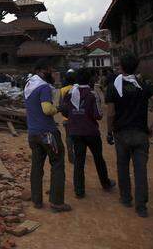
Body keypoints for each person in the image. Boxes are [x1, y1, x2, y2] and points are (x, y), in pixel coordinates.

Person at [105, 53, 153, 217]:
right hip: (141, 134)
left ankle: (126, 198)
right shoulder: (143, 85)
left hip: (121, 134)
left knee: (122, 167)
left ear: (121, 68)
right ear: (136, 67)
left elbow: (110, 113)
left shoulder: (113, 87)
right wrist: (152, 127)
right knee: (140, 170)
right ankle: (141, 207)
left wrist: (109, 131)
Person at [24, 59, 71, 212]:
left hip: (33, 133)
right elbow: (46, 109)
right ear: (41, 70)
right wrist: (59, 108)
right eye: (49, 70)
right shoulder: (43, 87)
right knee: (57, 164)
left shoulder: (29, 85)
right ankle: (57, 202)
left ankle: (37, 200)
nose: (51, 73)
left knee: (37, 167)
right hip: (48, 133)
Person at [61, 68, 115, 198]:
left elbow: (64, 111)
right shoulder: (92, 94)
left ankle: (79, 191)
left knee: (79, 160)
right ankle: (105, 183)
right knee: (98, 158)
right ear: (89, 79)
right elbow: (99, 115)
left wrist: (75, 115)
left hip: (75, 132)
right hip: (91, 132)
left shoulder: (69, 93)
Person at [60, 69, 77, 163]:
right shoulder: (77, 88)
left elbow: (61, 104)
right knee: (77, 136)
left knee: (68, 136)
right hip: (78, 117)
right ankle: (78, 152)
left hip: (66, 117)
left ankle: (70, 152)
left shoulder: (63, 90)